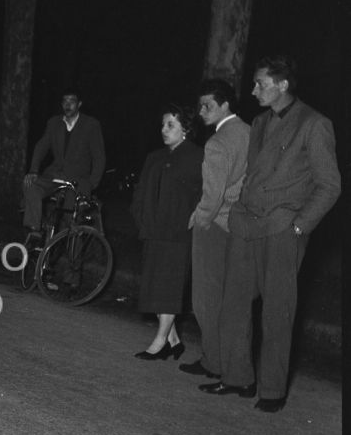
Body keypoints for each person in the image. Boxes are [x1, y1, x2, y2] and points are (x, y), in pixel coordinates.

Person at [200, 55, 340, 412]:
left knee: (277, 312)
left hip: (281, 229)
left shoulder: (315, 124)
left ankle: (273, 391)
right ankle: (238, 378)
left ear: (282, 85)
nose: (253, 91)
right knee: (233, 305)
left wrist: (299, 225)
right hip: (246, 225)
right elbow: (252, 174)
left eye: (260, 84)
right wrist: (237, 213)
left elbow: (329, 185)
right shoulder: (260, 122)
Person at [179, 79, 250, 378]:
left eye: (207, 106)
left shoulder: (217, 142)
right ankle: (226, 362)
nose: (201, 111)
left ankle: (213, 361)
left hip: (214, 225)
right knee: (228, 298)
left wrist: (201, 219)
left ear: (225, 105)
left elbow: (212, 194)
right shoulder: (249, 132)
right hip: (239, 225)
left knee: (206, 299)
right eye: (200, 106)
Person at [130, 104, 203, 359]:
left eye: (170, 125)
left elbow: (205, 193)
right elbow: (141, 191)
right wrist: (140, 216)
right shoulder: (155, 157)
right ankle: (174, 341)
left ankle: (159, 342)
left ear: (186, 129)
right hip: (153, 230)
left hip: (178, 233)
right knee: (155, 285)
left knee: (169, 287)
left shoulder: (198, 157)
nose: (164, 129)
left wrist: (195, 216)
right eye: (162, 125)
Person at [22, 91, 105, 233]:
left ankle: (69, 242)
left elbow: (99, 157)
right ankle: (35, 229)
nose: (68, 105)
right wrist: (33, 170)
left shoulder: (91, 125)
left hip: (78, 180)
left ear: (79, 104)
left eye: (72, 101)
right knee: (30, 185)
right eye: (65, 101)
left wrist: (92, 183)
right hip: (55, 175)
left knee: (70, 216)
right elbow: (41, 146)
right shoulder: (54, 123)